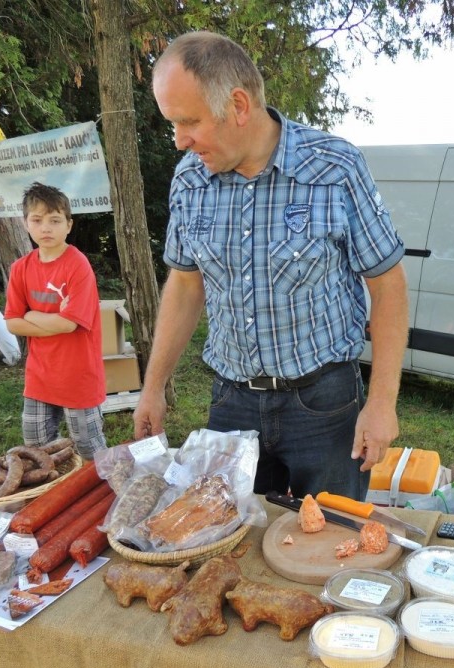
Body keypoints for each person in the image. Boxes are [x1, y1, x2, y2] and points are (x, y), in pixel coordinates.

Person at [133, 31, 409, 501]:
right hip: (231, 404)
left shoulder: (334, 168)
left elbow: (388, 285)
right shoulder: (189, 181)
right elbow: (185, 284)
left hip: (324, 406)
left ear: (239, 105)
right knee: (228, 536)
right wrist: (153, 387)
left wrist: (382, 402)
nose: (179, 141)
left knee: (329, 537)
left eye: (189, 122)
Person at [4, 182, 108, 460]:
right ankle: (59, 484)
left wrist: (32, 315)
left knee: (88, 447)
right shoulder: (20, 269)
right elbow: (12, 323)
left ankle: (104, 485)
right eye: (37, 220)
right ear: (25, 223)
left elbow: (69, 325)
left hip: (78, 375)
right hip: (39, 376)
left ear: (69, 225)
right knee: (36, 448)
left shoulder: (77, 265)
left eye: (55, 220)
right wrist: (54, 318)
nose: (46, 228)